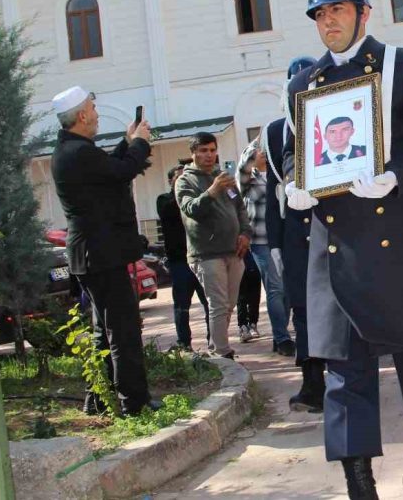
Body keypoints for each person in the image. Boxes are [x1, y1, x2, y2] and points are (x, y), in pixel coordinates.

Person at [282, 0, 403, 500]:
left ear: (363, 12)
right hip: (335, 245)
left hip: (397, 238)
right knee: (344, 372)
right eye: (319, 14)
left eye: (336, 10)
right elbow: (296, 154)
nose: (327, 21)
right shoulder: (302, 84)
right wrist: (295, 184)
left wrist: (396, 177)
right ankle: (359, 479)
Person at [50, 86, 158, 416]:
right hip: (101, 254)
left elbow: (109, 167)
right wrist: (139, 143)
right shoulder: (78, 153)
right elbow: (121, 171)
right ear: (82, 115)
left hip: (93, 255)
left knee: (103, 331)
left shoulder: (74, 151)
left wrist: (128, 142)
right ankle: (133, 405)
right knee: (123, 331)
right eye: (93, 109)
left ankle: (96, 400)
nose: (97, 115)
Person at [265, 55, 326, 412]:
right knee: (302, 309)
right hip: (294, 230)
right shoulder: (275, 131)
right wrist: (274, 241)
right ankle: (312, 382)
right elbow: (273, 190)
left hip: (329, 224)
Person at [175, 132, 253, 360]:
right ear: (193, 153)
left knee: (228, 305)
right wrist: (212, 191)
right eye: (203, 151)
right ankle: (222, 353)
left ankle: (214, 347)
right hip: (206, 254)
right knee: (218, 304)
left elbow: (240, 208)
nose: (209, 155)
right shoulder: (185, 180)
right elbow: (191, 209)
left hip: (234, 251)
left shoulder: (224, 177)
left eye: (212, 150)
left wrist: (245, 233)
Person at [238, 139, 295, 357]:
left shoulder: (278, 175)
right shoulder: (248, 180)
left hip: (285, 239)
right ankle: (282, 338)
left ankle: (280, 334)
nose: (262, 155)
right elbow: (242, 168)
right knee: (275, 288)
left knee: (289, 290)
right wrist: (251, 152)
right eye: (258, 153)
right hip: (262, 241)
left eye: (264, 152)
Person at [157, 164, 209, 350]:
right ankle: (184, 343)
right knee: (182, 305)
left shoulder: (196, 197)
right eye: (179, 178)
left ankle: (214, 342)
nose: (183, 181)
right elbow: (171, 210)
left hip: (201, 257)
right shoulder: (164, 200)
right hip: (179, 261)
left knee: (209, 303)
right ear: (171, 181)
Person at [235, 253, 262, 342]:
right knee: (241, 296)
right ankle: (243, 326)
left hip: (252, 255)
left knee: (255, 295)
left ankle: (253, 324)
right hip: (236, 256)